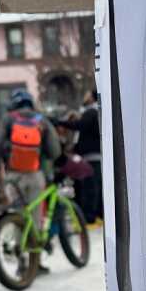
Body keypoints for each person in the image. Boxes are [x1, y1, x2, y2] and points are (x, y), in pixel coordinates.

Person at [0, 90, 62, 268]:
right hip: (34, 175)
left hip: (13, 177)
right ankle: (35, 264)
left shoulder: (8, 119)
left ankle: (22, 264)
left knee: (18, 215)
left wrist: (7, 158)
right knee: (35, 216)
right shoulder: (41, 120)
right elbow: (54, 151)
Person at [55, 90, 102, 224]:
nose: (84, 96)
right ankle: (92, 215)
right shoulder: (91, 113)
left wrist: (60, 122)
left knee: (90, 189)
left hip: (91, 158)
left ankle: (89, 217)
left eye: (86, 94)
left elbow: (79, 125)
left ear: (92, 97)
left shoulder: (92, 112)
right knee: (88, 188)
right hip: (88, 158)